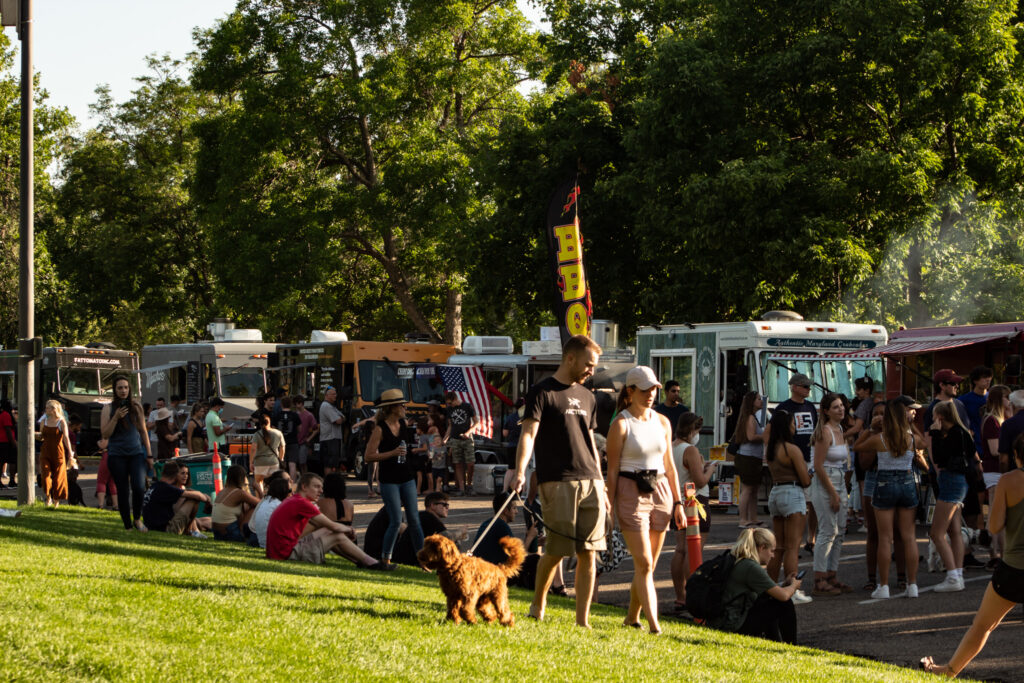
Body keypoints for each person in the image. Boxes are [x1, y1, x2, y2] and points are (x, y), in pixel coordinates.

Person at [506, 334, 607, 628]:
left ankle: (582, 621)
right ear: (571, 358)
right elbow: (528, 434)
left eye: (594, 366)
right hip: (557, 481)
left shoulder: (589, 397)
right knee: (557, 550)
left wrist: (602, 483)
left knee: (590, 553)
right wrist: (520, 470)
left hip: (591, 480)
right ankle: (538, 606)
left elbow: (589, 439)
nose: (591, 370)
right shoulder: (541, 392)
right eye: (588, 364)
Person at [920, 433, 1024, 677]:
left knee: (982, 626)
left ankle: (949, 670)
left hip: (1013, 568)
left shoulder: (1008, 480)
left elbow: (995, 526)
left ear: (1017, 457)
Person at [605, 365, 684, 634]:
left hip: (660, 488)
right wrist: (609, 505)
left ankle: (631, 617)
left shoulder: (663, 422)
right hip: (630, 490)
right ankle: (654, 625)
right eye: (645, 389)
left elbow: (670, 466)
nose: (651, 394)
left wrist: (678, 502)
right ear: (631, 391)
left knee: (648, 564)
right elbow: (612, 470)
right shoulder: (621, 423)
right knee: (645, 563)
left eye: (654, 389)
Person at [855, 400, 925, 599]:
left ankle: (883, 585)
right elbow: (924, 443)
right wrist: (911, 426)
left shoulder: (880, 439)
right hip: (907, 482)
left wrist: (870, 429)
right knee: (909, 536)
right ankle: (912, 585)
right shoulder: (910, 438)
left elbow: (858, 446)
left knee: (885, 538)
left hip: (884, 482)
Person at [265, 472, 393, 569]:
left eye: (321, 487)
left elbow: (325, 526)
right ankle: (372, 563)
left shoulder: (293, 500)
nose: (321, 491)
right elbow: (335, 527)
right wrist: (349, 529)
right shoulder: (302, 503)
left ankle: (360, 561)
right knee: (337, 535)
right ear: (304, 487)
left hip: (277, 552)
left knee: (328, 531)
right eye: (316, 487)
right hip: (286, 554)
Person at [364, 388, 423, 567]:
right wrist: (392, 453)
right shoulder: (380, 429)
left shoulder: (403, 424)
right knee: (396, 520)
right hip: (389, 480)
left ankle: (423, 559)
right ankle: (385, 559)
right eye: (402, 405)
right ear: (392, 408)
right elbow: (368, 456)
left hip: (407, 477)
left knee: (414, 519)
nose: (405, 407)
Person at [710, 527, 800, 643]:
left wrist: (784, 583)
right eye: (771, 551)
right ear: (762, 547)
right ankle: (791, 645)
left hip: (723, 619)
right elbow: (783, 596)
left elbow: (768, 589)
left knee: (768, 600)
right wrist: (794, 586)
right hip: (732, 624)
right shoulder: (751, 567)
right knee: (784, 604)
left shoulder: (738, 560)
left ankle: (774, 642)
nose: (773, 556)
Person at [764, 410, 813, 605]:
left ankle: (770, 587)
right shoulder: (791, 449)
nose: (795, 427)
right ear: (787, 426)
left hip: (775, 493)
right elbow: (805, 480)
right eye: (793, 423)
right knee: (793, 546)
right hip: (792, 494)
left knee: (779, 547)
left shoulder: (771, 449)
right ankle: (792, 590)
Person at [670, 411, 716, 613]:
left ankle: (680, 596)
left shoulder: (671, 446)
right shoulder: (690, 450)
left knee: (679, 550)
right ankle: (692, 596)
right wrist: (710, 470)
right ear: (692, 430)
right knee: (694, 551)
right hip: (695, 502)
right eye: (697, 430)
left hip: (677, 500)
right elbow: (700, 481)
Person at [928, 401, 974, 592]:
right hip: (961, 482)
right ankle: (958, 572)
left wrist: (935, 434)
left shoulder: (951, 434)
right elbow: (971, 454)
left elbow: (938, 457)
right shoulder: (963, 433)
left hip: (950, 481)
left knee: (937, 533)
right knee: (955, 530)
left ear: (940, 417)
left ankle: (953, 576)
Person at [769, 373, 818, 551]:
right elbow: (771, 431)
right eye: (805, 386)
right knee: (800, 501)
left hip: (809, 455)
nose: (808, 389)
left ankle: (810, 538)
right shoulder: (784, 407)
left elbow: (816, 429)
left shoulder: (811, 407)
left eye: (809, 387)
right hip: (791, 457)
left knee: (812, 501)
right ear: (794, 387)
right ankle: (794, 543)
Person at [809, 393, 851, 596]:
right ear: (826, 411)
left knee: (840, 530)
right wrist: (833, 494)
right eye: (835, 407)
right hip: (826, 481)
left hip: (840, 479)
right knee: (827, 531)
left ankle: (832, 575)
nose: (841, 409)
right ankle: (819, 579)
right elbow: (818, 466)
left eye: (841, 405)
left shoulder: (840, 429)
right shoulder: (825, 432)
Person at [100, 376, 152, 532]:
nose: (123, 391)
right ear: (115, 391)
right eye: (119, 388)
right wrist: (115, 417)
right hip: (117, 455)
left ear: (130, 389)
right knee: (122, 490)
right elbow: (105, 433)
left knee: (138, 486)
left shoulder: (136, 406)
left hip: (136, 453)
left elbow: (143, 431)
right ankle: (127, 525)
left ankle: (137, 519)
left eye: (126, 388)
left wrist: (149, 455)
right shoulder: (108, 408)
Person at [981, 385, 1011, 569]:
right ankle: (996, 553)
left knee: (1000, 514)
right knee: (996, 513)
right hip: (994, 471)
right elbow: (994, 450)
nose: (1009, 401)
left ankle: (997, 553)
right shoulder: (992, 421)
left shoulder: (1000, 420)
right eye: (1007, 398)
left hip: (997, 472)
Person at [141, 460, 210, 537]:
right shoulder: (166, 488)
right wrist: (208, 500)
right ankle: (190, 531)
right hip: (166, 530)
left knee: (192, 497)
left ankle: (192, 531)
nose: (185, 476)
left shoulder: (155, 486)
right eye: (182, 473)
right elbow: (199, 496)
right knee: (193, 499)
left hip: (152, 527)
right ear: (175, 476)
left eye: (186, 473)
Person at [732, 391, 766, 528]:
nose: (761, 401)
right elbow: (751, 436)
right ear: (752, 402)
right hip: (748, 457)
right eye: (758, 399)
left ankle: (753, 517)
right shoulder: (750, 418)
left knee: (754, 489)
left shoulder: (753, 417)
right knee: (747, 489)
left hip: (754, 457)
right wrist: (765, 435)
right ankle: (743, 519)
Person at [36, 399, 74, 507]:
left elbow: (66, 438)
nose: (46, 410)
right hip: (45, 451)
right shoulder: (44, 421)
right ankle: (48, 498)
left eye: (48, 408)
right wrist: (35, 435)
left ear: (54, 409)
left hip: (58, 452)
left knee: (58, 477)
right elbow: (41, 436)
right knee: (45, 475)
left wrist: (70, 452)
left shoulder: (61, 422)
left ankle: (56, 500)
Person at [471, 490, 522, 566]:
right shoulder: (501, 526)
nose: (517, 512)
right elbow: (517, 556)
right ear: (505, 510)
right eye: (514, 508)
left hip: (478, 567)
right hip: (488, 572)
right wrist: (530, 537)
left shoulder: (487, 523)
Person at [211, 465, 261, 542]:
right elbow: (261, 504)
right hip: (230, 534)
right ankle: (244, 534)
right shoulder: (239, 493)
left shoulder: (222, 491)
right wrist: (258, 489)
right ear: (242, 478)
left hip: (217, 535)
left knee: (245, 506)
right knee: (254, 507)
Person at [444, 391, 478, 496]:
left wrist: (468, 433)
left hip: (467, 438)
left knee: (470, 463)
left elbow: (476, 422)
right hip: (455, 438)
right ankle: (462, 488)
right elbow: (450, 425)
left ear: (455, 399)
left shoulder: (467, 406)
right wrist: (445, 438)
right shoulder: (449, 409)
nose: (449, 405)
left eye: (450, 403)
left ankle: (469, 485)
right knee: (457, 463)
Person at [248, 470, 291, 549]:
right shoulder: (278, 505)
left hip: (255, 536)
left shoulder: (267, 500)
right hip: (261, 539)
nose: (291, 482)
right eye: (287, 480)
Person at [960, 366, 993, 454]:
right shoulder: (963, 400)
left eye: (989, 377)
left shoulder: (994, 399)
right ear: (975, 381)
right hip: (974, 444)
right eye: (984, 377)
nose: (988, 380)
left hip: (992, 441)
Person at [250, 413, 284, 494]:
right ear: (269, 422)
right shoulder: (278, 433)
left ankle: (260, 501)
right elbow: (282, 447)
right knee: (274, 483)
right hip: (274, 462)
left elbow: (253, 449)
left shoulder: (257, 434)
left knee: (258, 483)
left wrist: (251, 462)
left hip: (260, 462)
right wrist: (281, 458)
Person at [318, 386, 346, 476]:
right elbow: (338, 420)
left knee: (333, 463)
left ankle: (332, 482)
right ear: (327, 395)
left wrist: (341, 418)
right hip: (329, 439)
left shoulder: (332, 406)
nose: (336, 396)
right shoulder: (326, 406)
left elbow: (343, 418)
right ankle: (328, 483)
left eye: (336, 394)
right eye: (333, 394)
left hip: (333, 438)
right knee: (329, 464)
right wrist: (341, 418)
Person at [276, 396, 303, 477]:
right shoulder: (295, 415)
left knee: (281, 463)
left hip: (280, 442)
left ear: (281, 404)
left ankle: (282, 482)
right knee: (292, 464)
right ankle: (292, 483)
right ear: (291, 404)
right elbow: (300, 429)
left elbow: (273, 428)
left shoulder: (277, 415)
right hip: (293, 442)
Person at [294, 395, 320, 473]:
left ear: (302, 403)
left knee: (302, 462)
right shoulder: (294, 414)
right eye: (295, 403)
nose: (297, 405)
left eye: (298, 403)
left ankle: (305, 477)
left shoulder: (309, 415)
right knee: (295, 463)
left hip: (303, 442)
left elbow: (316, 429)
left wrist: (309, 439)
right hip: (294, 442)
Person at [94, 438, 117, 510]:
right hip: (117, 457)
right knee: (112, 482)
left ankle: (100, 504)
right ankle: (115, 505)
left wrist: (98, 442)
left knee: (101, 481)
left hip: (107, 456)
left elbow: (103, 445)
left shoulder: (108, 430)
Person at [0, 398, 16, 489]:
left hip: (4, 441)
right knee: (11, 461)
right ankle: (12, 480)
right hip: (6, 441)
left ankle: (12, 480)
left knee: (2, 461)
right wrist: (13, 443)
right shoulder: (6, 415)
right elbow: (8, 430)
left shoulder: (3, 414)